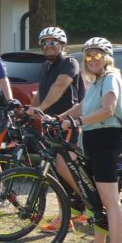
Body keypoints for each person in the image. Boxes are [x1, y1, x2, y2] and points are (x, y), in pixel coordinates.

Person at [56, 37, 122, 243]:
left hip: (107, 140)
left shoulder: (110, 79)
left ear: (107, 57)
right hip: (93, 141)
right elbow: (82, 106)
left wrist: (77, 122)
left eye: (97, 54)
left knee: (111, 201)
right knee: (98, 199)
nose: (92, 59)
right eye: (88, 55)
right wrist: (60, 118)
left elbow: (108, 110)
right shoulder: (97, 81)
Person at [28, 26, 88, 232]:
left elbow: (60, 87)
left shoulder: (69, 62)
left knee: (64, 168)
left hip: (67, 122)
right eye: (44, 42)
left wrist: (40, 108)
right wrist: (29, 110)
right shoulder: (45, 66)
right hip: (51, 124)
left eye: (53, 41)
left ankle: (89, 205)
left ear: (62, 44)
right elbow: (41, 91)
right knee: (56, 170)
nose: (48, 46)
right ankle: (67, 216)